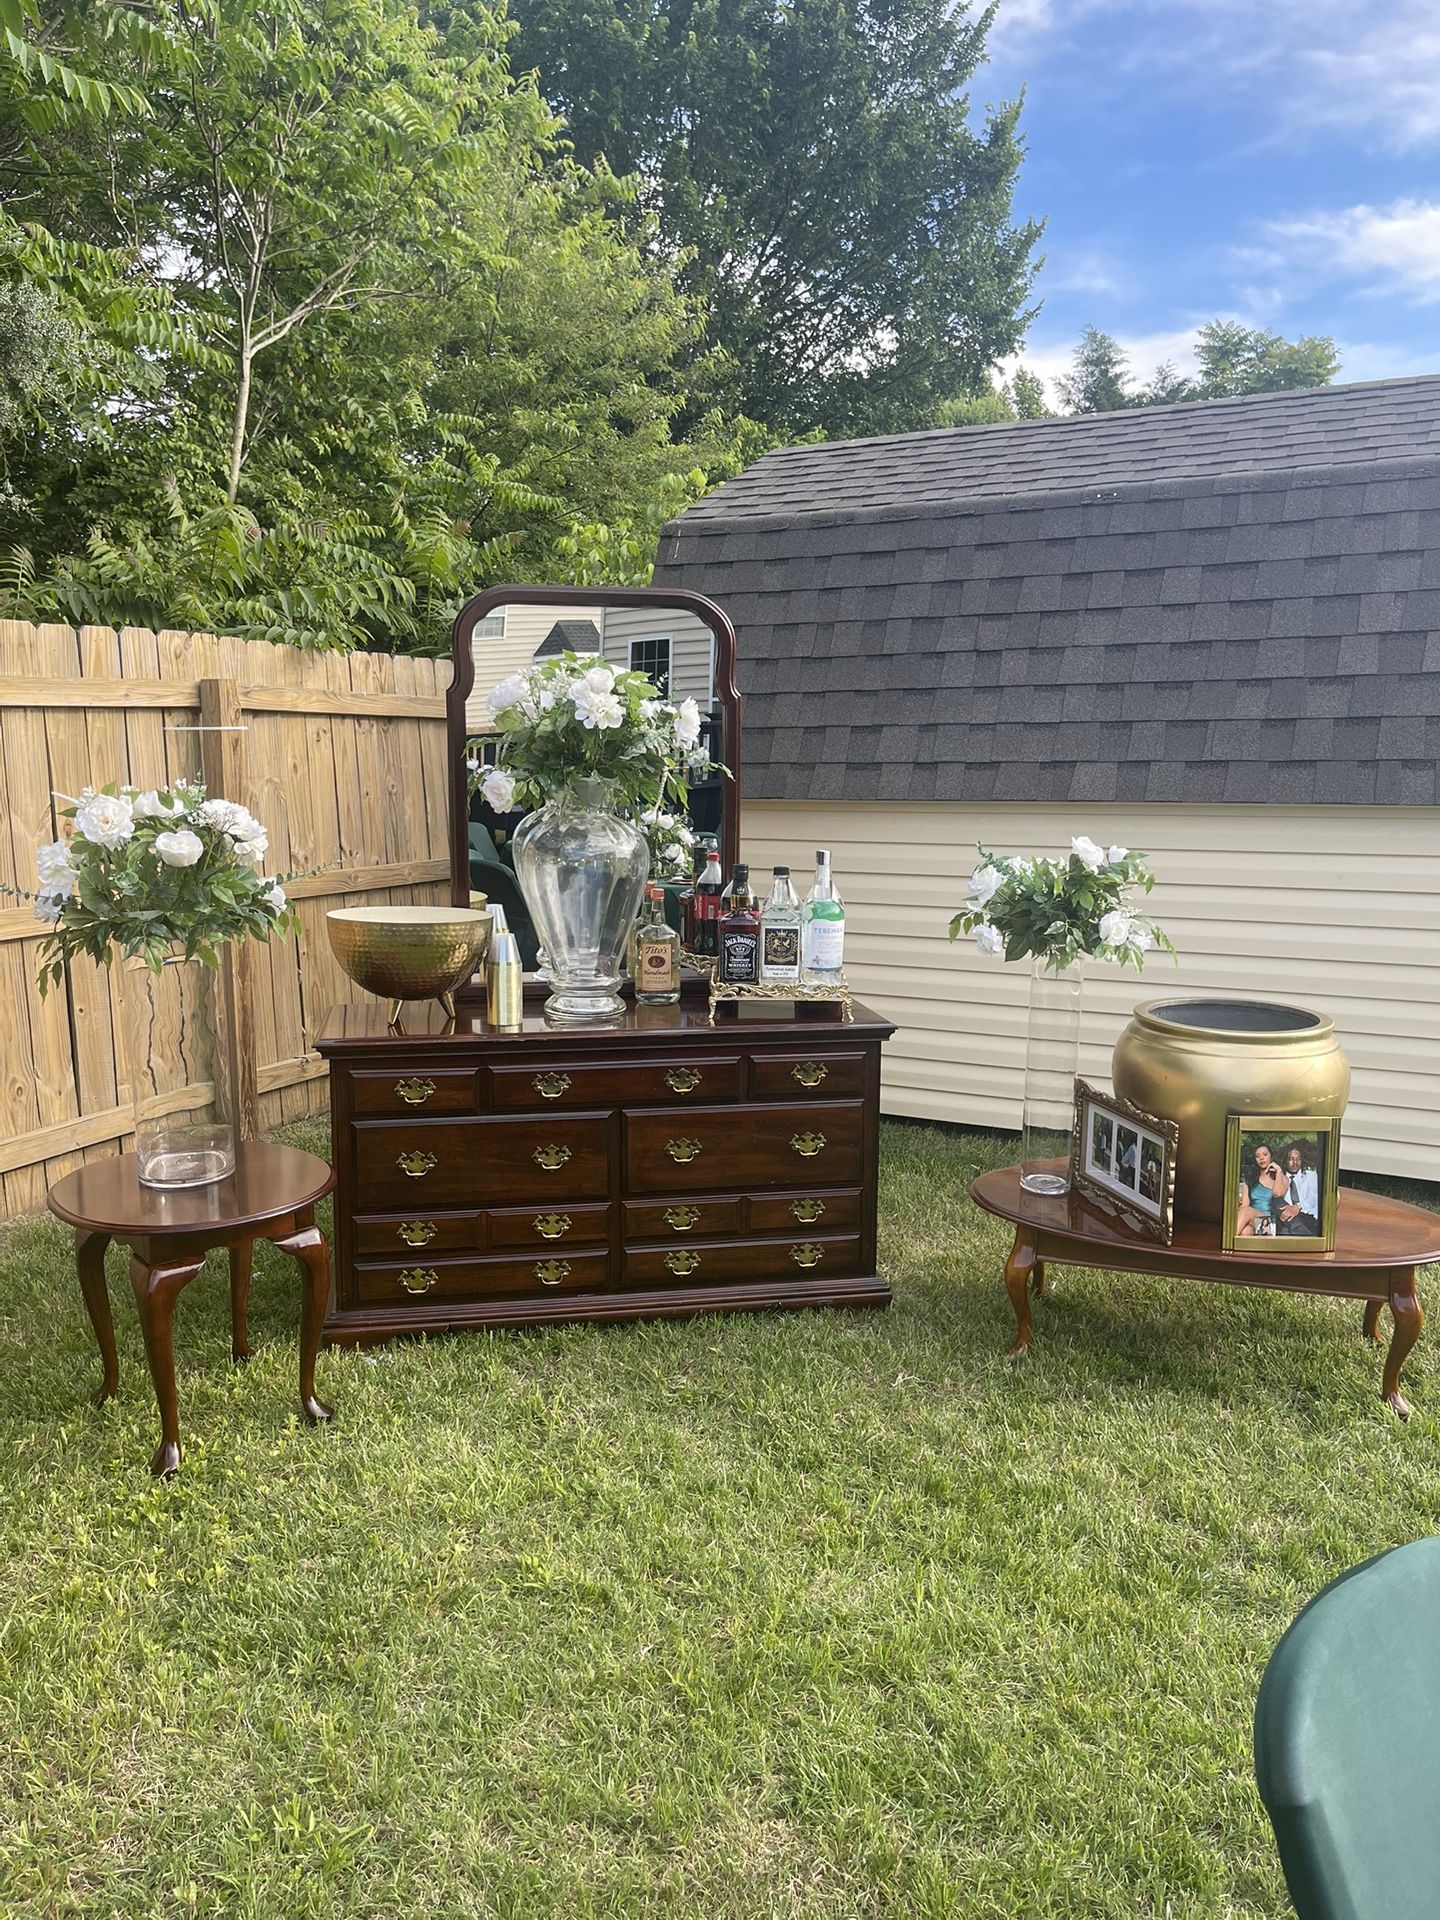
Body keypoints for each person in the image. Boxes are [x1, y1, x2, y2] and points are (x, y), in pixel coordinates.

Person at [1276, 1140, 1322, 1237]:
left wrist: (1297, 1207)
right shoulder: (1281, 1179)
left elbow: (1313, 1198)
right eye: (1291, 1159)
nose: (1295, 1162)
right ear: (1285, 1161)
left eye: (1298, 1159)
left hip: (1308, 1218)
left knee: (1286, 1233)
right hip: (1286, 1220)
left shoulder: (1311, 1175)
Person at [1247, 1143, 1285, 1236]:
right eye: (1257, 1156)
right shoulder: (1250, 1180)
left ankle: (1225, 1243)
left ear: (1271, 1156)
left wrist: (1278, 1171)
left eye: (1265, 1154)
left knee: (1247, 1211)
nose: (1261, 1158)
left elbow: (1277, 1193)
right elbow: (1244, 1205)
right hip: (1251, 1219)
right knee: (1246, 1231)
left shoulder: (1282, 1177)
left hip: (1270, 1221)